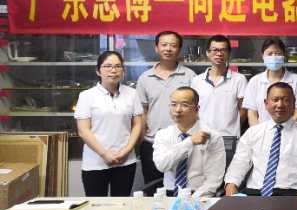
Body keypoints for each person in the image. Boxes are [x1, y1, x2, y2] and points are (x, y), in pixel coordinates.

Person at [224, 82, 297, 197]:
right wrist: (231, 185)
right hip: (255, 192)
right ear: (266, 103)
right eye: (275, 100)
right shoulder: (253, 133)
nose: (280, 105)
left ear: (294, 103)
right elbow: (239, 163)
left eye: (286, 100)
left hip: (292, 194)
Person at [75, 51, 143, 197]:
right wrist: (105, 154)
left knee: (122, 204)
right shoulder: (87, 96)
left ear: (123, 71)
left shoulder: (132, 94)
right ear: (98, 71)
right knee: (96, 205)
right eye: (107, 66)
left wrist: (126, 151)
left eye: (118, 66)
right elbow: (83, 130)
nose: (113, 70)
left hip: (125, 161)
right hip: (95, 162)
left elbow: (137, 124)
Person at [136, 30, 196, 195]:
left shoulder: (190, 76)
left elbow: (195, 108)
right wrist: (141, 137)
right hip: (152, 142)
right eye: (164, 45)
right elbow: (142, 111)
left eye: (173, 45)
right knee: (154, 191)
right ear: (156, 48)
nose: (168, 49)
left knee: (183, 189)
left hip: (183, 141)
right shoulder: (145, 78)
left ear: (179, 49)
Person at [152, 87, 225, 198]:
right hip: (170, 194)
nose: (178, 110)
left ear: (196, 109)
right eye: (173, 104)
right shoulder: (163, 134)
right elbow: (162, 166)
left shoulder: (212, 136)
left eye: (184, 105)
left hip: (199, 194)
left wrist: (192, 200)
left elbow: (214, 179)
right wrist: (189, 142)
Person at [190, 34, 247, 164]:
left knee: (228, 173)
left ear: (229, 53)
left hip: (229, 138)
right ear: (207, 53)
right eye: (215, 50)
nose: (219, 53)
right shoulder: (196, 81)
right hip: (203, 137)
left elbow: (243, 109)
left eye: (223, 50)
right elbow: (194, 109)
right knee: (204, 173)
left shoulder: (239, 79)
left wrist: (231, 126)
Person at [243, 38, 297, 126]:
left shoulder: (296, 80)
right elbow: (252, 113)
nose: (274, 57)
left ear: (284, 56)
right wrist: (258, 132)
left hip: (289, 131)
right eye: (270, 54)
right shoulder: (255, 81)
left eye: (278, 53)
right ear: (263, 56)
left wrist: (286, 130)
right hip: (262, 132)